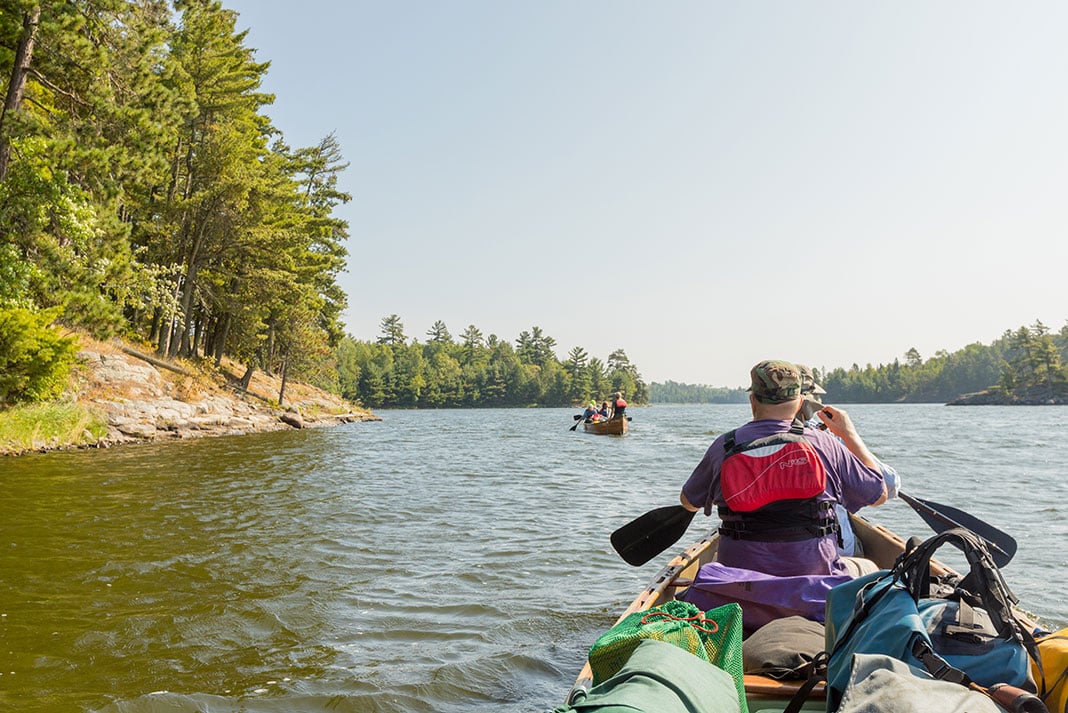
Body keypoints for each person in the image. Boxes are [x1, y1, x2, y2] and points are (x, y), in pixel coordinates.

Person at [679, 360, 888, 578]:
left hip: (741, 582)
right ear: (800, 403)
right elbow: (879, 494)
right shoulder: (824, 444)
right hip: (815, 581)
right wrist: (849, 433)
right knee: (871, 567)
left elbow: (688, 501)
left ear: (753, 401)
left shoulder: (723, 446)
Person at [795, 363, 901, 559]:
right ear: (812, 402)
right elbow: (888, 485)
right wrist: (849, 434)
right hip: (830, 552)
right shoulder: (832, 441)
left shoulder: (744, 442)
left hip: (766, 551)